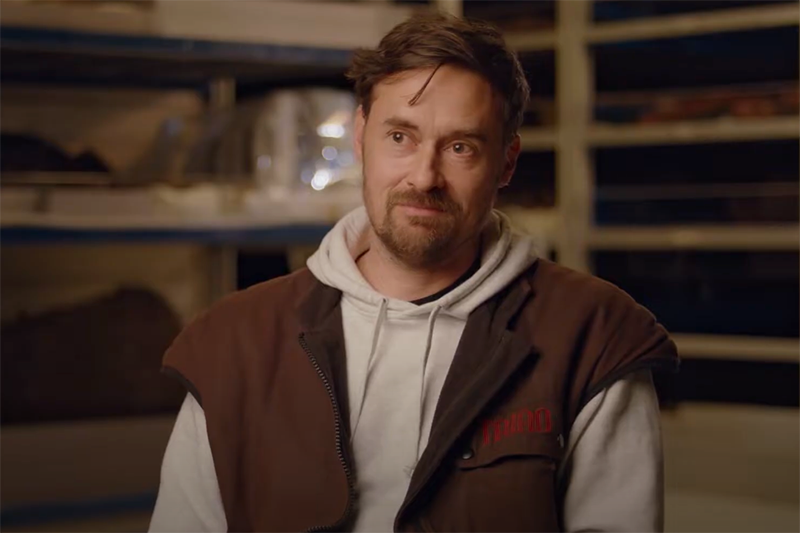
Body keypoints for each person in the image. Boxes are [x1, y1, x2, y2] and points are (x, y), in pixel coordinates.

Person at [149, 11, 679, 533]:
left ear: (507, 163)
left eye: (459, 147)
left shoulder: (594, 336)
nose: (424, 177)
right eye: (400, 137)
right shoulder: (236, 340)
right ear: (361, 138)